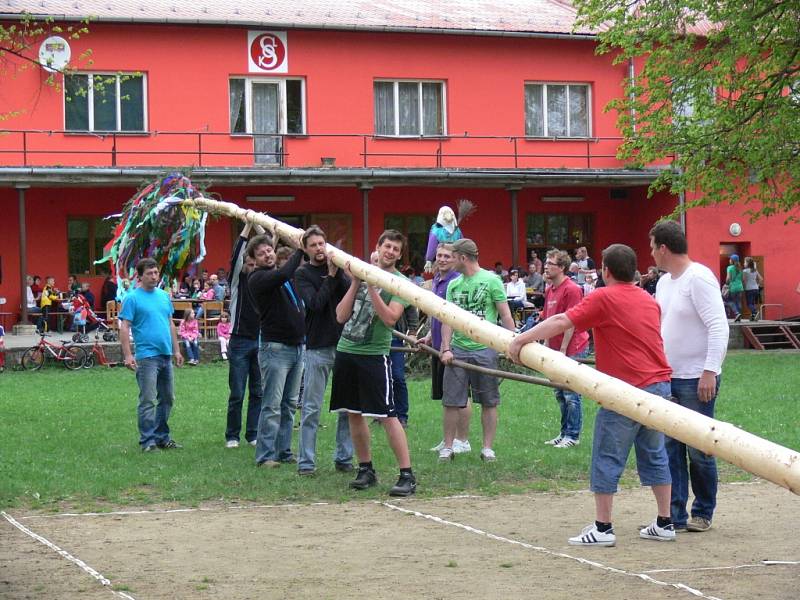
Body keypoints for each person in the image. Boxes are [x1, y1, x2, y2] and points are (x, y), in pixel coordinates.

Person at [508, 243, 674, 547]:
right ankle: (665, 521)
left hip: (626, 390)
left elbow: (562, 321)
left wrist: (520, 339)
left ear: (605, 271)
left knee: (607, 456)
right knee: (654, 454)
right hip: (660, 385)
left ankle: (603, 528)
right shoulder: (649, 300)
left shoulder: (604, 296)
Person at [650, 220, 729, 533]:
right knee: (670, 447)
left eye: (653, 246)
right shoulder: (664, 283)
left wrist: (709, 370)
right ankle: (675, 513)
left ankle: (703, 510)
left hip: (697, 378)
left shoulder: (699, 278)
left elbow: (718, 326)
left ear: (664, 248)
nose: (652, 253)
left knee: (699, 448)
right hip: (669, 376)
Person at [330, 229, 417, 496]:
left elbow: (391, 318)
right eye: (386, 246)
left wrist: (371, 285)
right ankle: (365, 468)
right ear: (378, 247)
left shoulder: (400, 283)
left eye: (395, 249)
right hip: (347, 351)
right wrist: (357, 282)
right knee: (354, 413)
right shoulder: (360, 271)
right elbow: (340, 316)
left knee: (387, 416)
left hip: (374, 356)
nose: (389, 252)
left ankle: (407, 475)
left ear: (400, 256)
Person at [439, 238, 516, 463]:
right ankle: (448, 446)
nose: (448, 261)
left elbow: (505, 315)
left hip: (485, 350)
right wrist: (446, 348)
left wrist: (514, 345)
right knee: (451, 401)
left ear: (463, 258)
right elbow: (447, 320)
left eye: (452, 256)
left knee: (488, 401)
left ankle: (487, 448)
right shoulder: (454, 285)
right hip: (458, 350)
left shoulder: (491, 281)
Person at [294, 225, 354, 475]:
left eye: (322, 243)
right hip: (318, 346)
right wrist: (330, 277)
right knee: (311, 407)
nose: (319, 249)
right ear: (306, 249)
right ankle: (306, 463)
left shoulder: (338, 271)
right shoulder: (302, 274)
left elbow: (350, 295)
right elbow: (316, 304)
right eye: (314, 245)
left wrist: (337, 274)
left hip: (343, 345)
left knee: (346, 407)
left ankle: (344, 458)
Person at [248, 232, 306, 467]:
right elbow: (285, 272)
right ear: (254, 259)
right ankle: (264, 456)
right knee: (272, 405)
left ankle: (283, 451)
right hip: (275, 349)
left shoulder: (277, 278)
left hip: (296, 347)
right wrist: (300, 249)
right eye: (261, 253)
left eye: (269, 250)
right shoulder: (258, 279)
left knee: (289, 404)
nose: (267, 255)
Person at [119, 258, 184, 452]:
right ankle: (148, 441)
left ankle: (162, 437)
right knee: (147, 399)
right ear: (139, 277)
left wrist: (177, 350)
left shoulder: (164, 296)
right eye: (149, 273)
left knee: (167, 398)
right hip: (147, 357)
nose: (154, 276)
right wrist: (128, 355)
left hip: (165, 355)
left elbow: (170, 323)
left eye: (156, 272)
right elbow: (124, 326)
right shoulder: (132, 298)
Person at [423, 243, 472, 455]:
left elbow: (454, 317)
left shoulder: (455, 281)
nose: (442, 259)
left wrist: (447, 345)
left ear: (455, 259)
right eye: (439, 255)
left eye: (446, 256)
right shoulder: (437, 279)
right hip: (438, 344)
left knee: (460, 395)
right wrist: (428, 335)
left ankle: (462, 440)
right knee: (448, 396)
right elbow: (437, 314)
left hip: (452, 347)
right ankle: (448, 439)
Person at [539, 249, 590, 448]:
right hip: (554, 348)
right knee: (559, 394)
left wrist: (561, 350)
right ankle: (563, 433)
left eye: (550, 263)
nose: (546, 266)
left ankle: (573, 436)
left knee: (571, 394)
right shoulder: (549, 289)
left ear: (561, 268)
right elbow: (547, 320)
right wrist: (545, 344)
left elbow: (570, 322)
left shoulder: (572, 289)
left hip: (572, 347)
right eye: (546, 262)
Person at [224, 223, 263, 449]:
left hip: (259, 340)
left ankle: (253, 434)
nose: (251, 266)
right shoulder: (238, 282)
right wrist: (247, 228)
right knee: (237, 392)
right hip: (239, 340)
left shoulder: (262, 281)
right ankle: (232, 435)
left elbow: (268, 250)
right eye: (248, 264)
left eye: (254, 263)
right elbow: (237, 255)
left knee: (257, 391)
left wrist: (265, 233)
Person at [725, 254, 744, 321]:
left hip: (733, 287)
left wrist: (726, 284)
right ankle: (739, 316)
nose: (729, 260)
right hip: (740, 287)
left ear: (732, 261)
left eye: (730, 259)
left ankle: (736, 313)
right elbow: (742, 279)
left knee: (729, 300)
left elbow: (728, 278)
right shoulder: (740, 268)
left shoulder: (729, 268)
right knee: (738, 301)